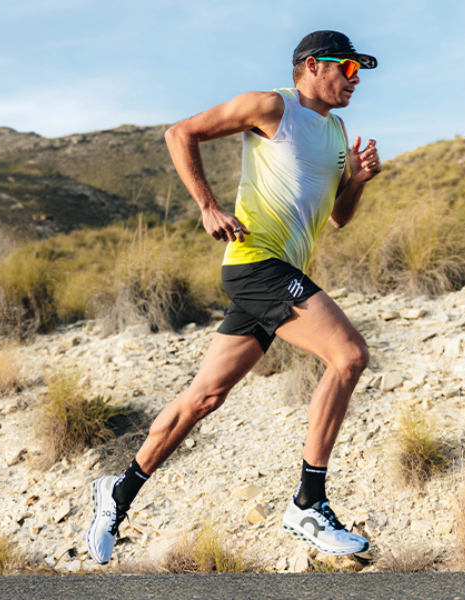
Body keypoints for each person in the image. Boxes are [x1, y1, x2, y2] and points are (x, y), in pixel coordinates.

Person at [87, 30, 382, 564]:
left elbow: (337, 216)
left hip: (279, 272)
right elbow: (181, 133)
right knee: (349, 355)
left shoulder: (338, 131)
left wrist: (357, 180)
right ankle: (308, 505)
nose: (355, 80)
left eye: (361, 72)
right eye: (348, 69)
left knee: (204, 398)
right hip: (256, 264)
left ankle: (118, 491)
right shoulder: (272, 107)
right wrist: (207, 204)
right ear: (314, 66)